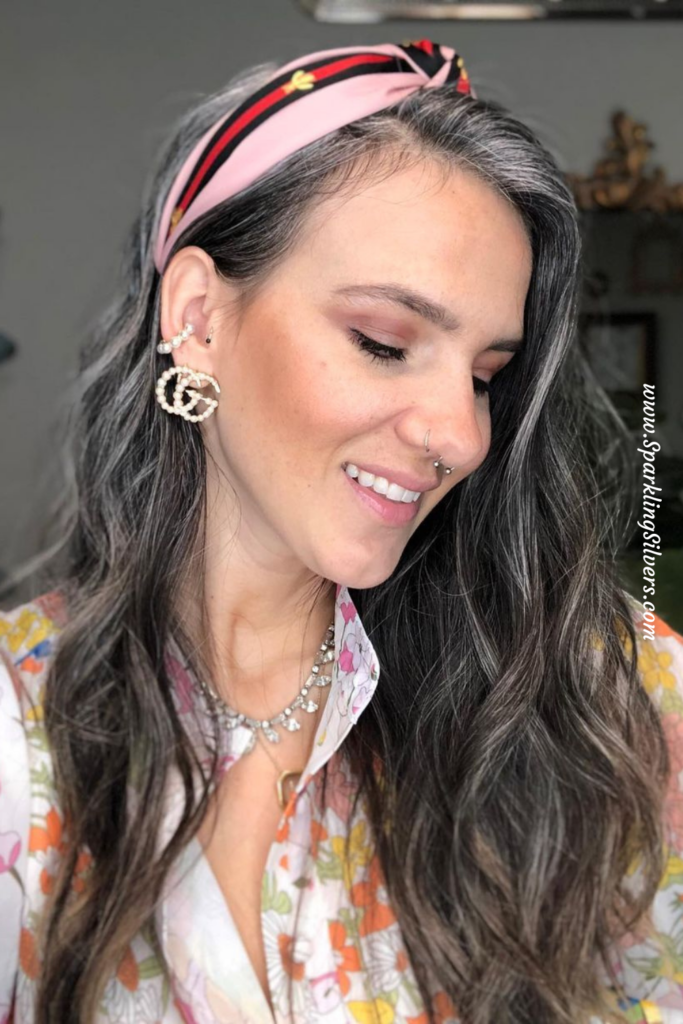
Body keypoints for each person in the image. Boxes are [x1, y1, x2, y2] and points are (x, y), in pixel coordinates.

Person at [0, 38, 681, 1024]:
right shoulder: (22, 749)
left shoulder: (599, 698)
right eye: (383, 342)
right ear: (196, 316)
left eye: (485, 375)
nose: (457, 433)